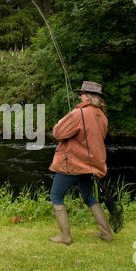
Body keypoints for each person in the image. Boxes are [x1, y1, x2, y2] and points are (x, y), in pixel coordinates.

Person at [48, 81, 112, 245]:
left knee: (56, 195)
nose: (79, 96)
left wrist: (66, 118)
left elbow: (58, 133)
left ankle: (65, 237)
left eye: (82, 94)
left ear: (88, 96)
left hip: (72, 164)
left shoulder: (78, 114)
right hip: (91, 165)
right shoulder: (102, 116)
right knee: (88, 196)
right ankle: (106, 234)